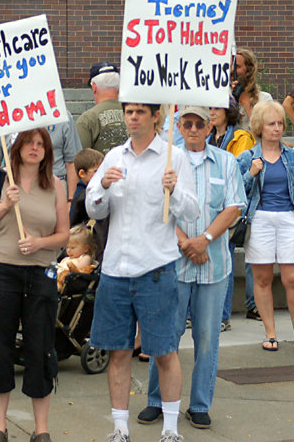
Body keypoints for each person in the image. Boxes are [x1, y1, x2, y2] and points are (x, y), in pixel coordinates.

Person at [86, 102, 199, 442]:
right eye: (128, 111)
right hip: (116, 270)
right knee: (118, 352)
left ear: (155, 117)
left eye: (139, 112)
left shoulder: (173, 157)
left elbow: (192, 212)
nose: (132, 117)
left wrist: (175, 189)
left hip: (155, 269)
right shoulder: (113, 156)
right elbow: (93, 207)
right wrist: (102, 185)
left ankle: (170, 429)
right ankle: (120, 428)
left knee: (164, 351)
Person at [137, 105, 245, 431]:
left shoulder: (225, 161)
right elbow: (157, 207)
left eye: (200, 123)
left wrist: (205, 239)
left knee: (207, 338)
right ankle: (157, 400)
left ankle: (199, 404)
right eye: (188, 124)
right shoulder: (167, 162)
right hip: (175, 262)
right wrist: (186, 241)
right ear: (179, 127)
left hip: (214, 264)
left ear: (209, 126)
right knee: (165, 335)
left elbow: (234, 207)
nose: (194, 129)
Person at [0, 128, 69, 442]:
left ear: (47, 151)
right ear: (17, 147)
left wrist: (40, 242)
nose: (35, 148)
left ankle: (41, 430)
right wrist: (3, 206)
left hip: (40, 275)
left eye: (41, 144)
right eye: (29, 143)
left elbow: (64, 235)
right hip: (0, 273)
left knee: (41, 350)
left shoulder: (56, 185)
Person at [237, 101, 294, 353]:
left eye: (280, 123)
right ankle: (270, 332)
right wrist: (251, 173)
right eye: (271, 124)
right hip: (259, 219)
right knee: (263, 278)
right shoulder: (248, 157)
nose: (277, 128)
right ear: (259, 126)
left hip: (288, 217)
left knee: (292, 278)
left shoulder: (292, 155)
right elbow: (236, 191)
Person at [207, 97, 256, 326]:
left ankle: (222, 316)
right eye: (209, 108)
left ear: (229, 112)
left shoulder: (241, 137)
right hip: (210, 205)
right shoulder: (209, 137)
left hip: (230, 205)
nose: (212, 112)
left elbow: (238, 172)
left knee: (224, 258)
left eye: (216, 107)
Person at [76, 62, 128, 155]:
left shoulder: (87, 119)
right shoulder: (134, 114)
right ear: (119, 87)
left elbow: (80, 159)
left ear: (94, 87)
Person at [69, 148, 108, 258]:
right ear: (82, 173)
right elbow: (74, 224)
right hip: (86, 248)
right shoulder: (82, 196)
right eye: (97, 171)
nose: (102, 175)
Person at [233, 48, 273, 131]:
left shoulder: (264, 99)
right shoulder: (220, 100)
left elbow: (266, 132)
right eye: (229, 66)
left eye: (237, 67)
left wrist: (245, 100)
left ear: (249, 68)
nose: (231, 71)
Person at [56, 224, 96, 291]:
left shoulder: (85, 258)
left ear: (85, 248)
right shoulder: (66, 259)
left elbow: (77, 271)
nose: (68, 250)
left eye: (72, 248)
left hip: (69, 284)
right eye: (67, 247)